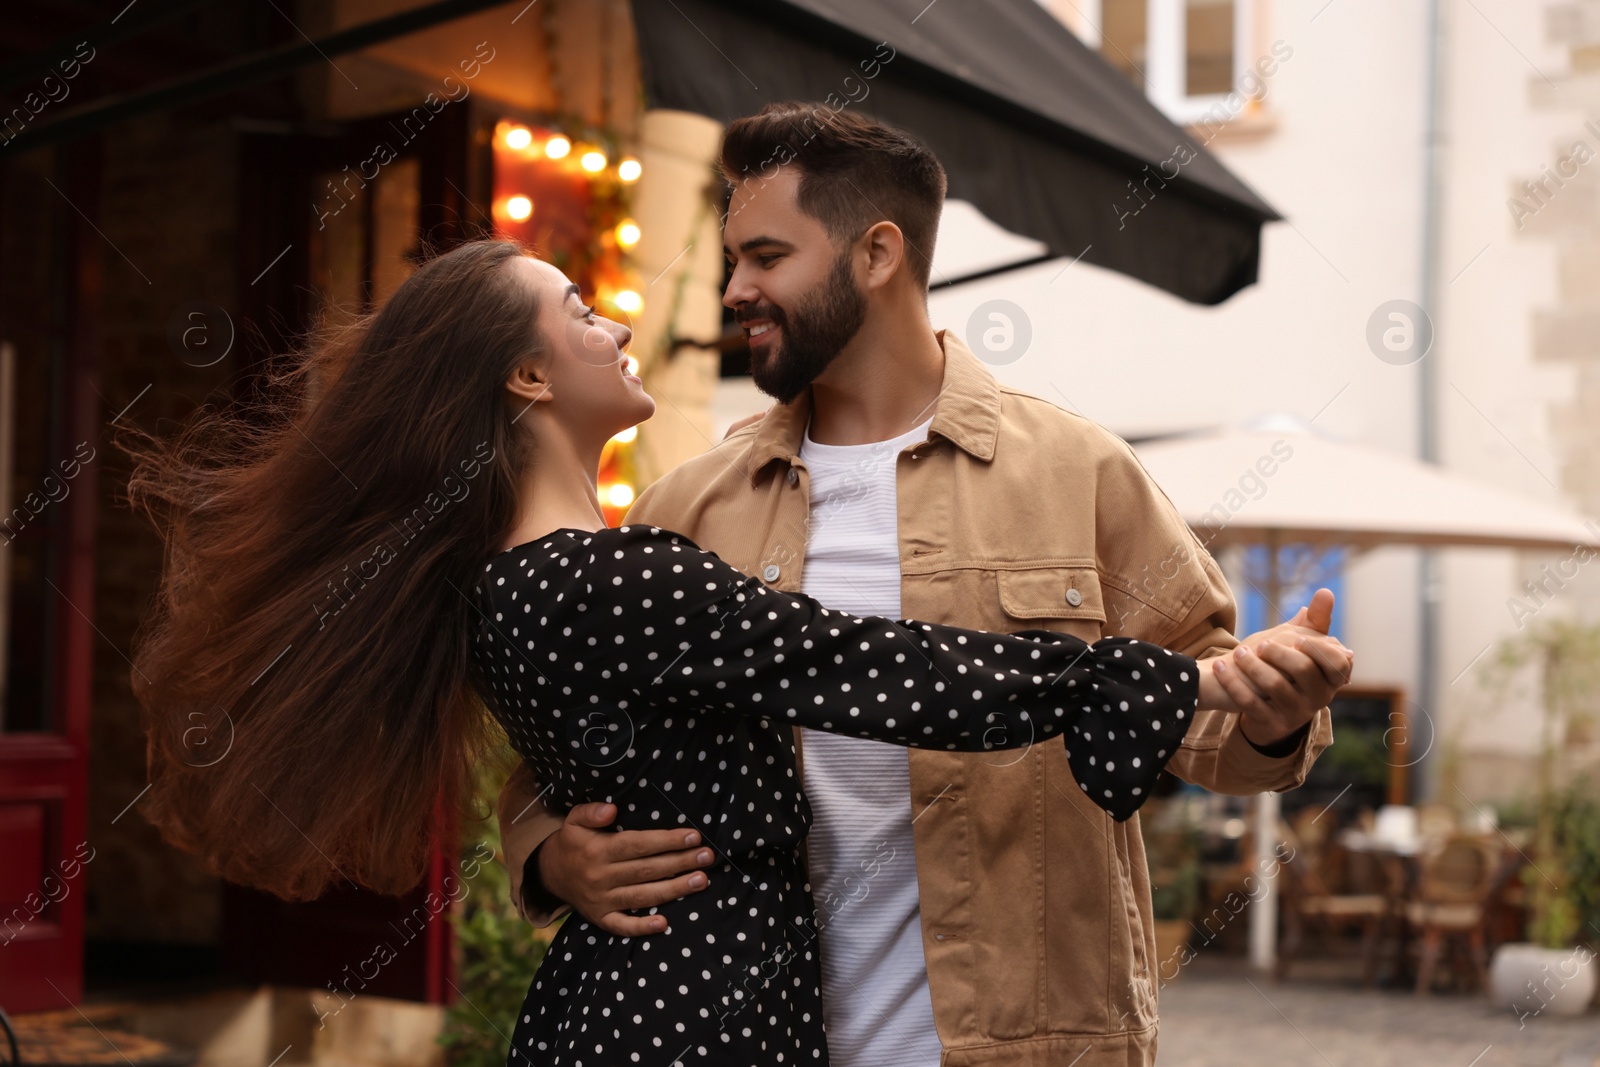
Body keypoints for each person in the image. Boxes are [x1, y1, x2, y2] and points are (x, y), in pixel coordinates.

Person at [118, 239, 1333, 1066]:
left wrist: (1212, 689)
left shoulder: (520, 581)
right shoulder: (628, 564)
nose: (625, 318)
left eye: (764, 254)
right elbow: (880, 669)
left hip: (658, 1000)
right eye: (582, 312)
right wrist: (1162, 677)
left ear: (877, 252)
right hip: (690, 1016)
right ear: (529, 375)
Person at [495, 102, 1350, 1067]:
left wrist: (1274, 710)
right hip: (756, 1040)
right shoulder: (681, 511)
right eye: (732, 258)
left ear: (877, 253)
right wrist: (548, 853)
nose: (734, 290)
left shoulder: (1076, 470)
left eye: (766, 256)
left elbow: (1200, 698)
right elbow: (562, 751)